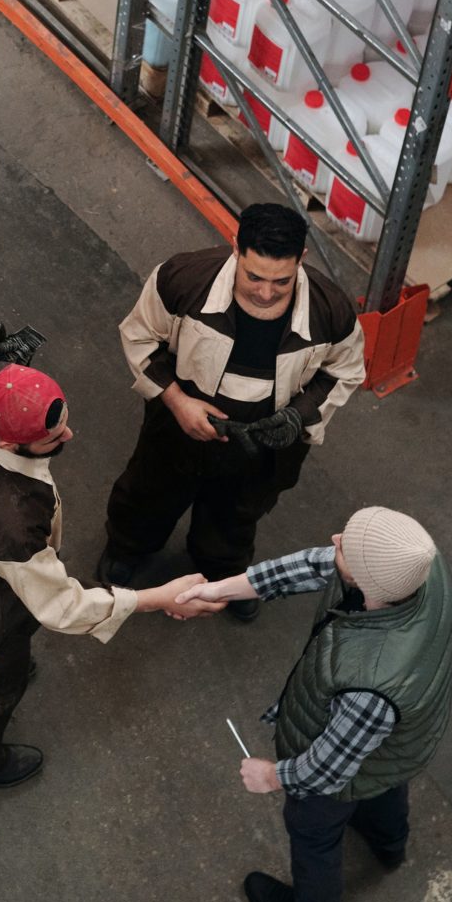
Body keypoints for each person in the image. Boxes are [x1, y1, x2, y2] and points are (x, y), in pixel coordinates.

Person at [0, 343, 209, 789]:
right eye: (53, 438)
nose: (69, 438)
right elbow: (61, 605)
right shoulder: (6, 518)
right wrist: (152, 598)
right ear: (8, 442)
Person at [200, 506, 452, 902]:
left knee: (314, 830)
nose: (335, 538)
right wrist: (221, 588)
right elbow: (323, 564)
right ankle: (389, 844)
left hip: (351, 757)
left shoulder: (370, 689)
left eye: (347, 546)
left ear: (366, 584)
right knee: (382, 782)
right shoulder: (418, 567)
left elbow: (325, 771)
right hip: (399, 746)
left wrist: (271, 776)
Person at [98, 203, 367, 622]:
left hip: (264, 445)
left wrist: (298, 415)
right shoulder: (182, 281)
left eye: (281, 281)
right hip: (177, 429)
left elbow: (344, 372)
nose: (265, 292)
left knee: (238, 514)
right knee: (148, 492)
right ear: (236, 248)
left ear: (302, 260)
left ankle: (225, 573)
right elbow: (139, 337)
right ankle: (128, 549)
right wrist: (177, 401)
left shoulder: (330, 313)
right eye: (254, 276)